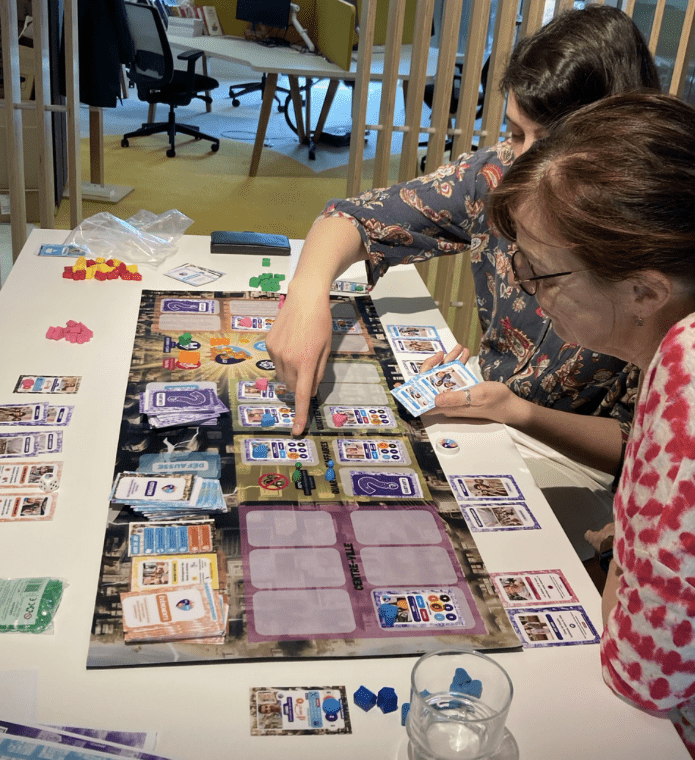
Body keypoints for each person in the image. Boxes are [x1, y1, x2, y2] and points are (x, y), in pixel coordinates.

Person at [266, 5, 660, 557]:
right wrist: (306, 299)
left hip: (576, 468)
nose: (522, 162)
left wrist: (514, 408)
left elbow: (643, 446)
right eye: (514, 133)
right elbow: (353, 216)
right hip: (486, 417)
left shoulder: (657, 253)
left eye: (546, 142)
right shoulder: (498, 173)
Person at [488, 90, 695, 760]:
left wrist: (628, 572)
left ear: (644, 290)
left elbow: (645, 672)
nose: (527, 292)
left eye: (542, 274)